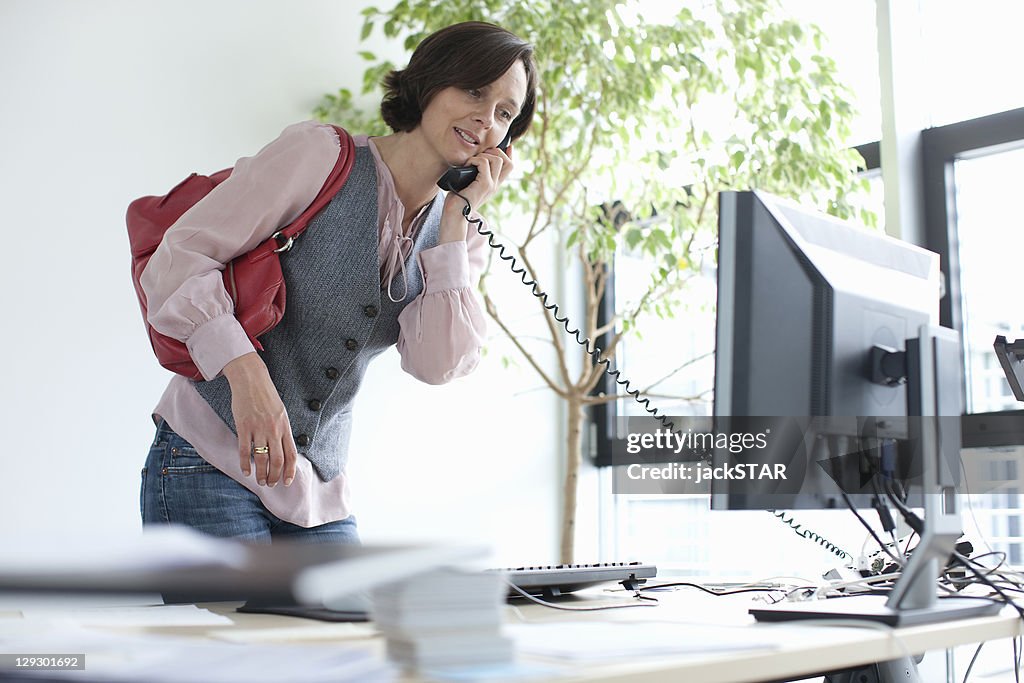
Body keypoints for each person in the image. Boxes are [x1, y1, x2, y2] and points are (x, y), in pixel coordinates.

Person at [139, 21, 538, 544]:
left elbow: (436, 365)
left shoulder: (458, 237)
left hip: (316, 496)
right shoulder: (320, 156)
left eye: (505, 113)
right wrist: (245, 374)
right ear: (431, 83)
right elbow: (179, 258)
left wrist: (457, 224)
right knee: (227, 630)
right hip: (206, 462)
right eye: (473, 90)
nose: (486, 119)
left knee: (346, 628)